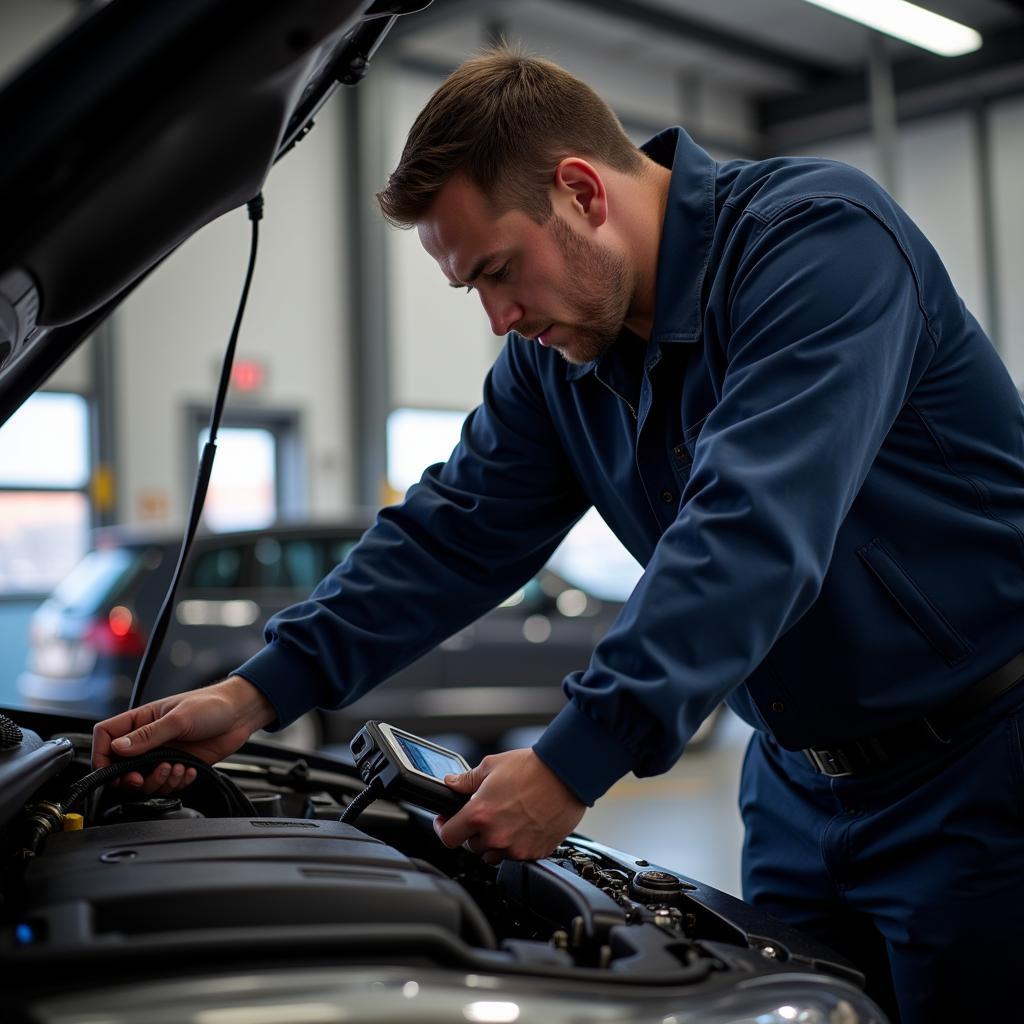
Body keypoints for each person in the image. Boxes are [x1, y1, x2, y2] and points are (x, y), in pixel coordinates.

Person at [93, 48, 1024, 1023]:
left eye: (499, 271)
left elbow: (751, 525)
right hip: (795, 786)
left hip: (976, 776)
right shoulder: (556, 360)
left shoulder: (819, 246)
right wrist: (256, 690)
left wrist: (575, 757)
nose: (500, 317)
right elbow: (452, 534)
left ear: (580, 191)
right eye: (473, 291)